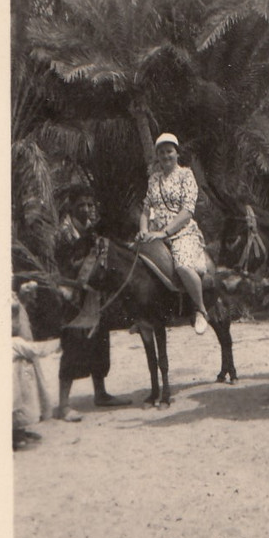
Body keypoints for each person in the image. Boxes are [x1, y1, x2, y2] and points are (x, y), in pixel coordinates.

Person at [54, 185, 132, 422]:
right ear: (71, 206)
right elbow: (63, 266)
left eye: (90, 204)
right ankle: (64, 404)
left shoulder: (92, 230)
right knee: (72, 348)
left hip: (93, 295)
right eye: (81, 205)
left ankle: (101, 393)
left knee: (100, 342)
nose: (87, 209)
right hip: (72, 294)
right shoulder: (64, 233)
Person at [136, 133, 209, 335]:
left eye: (169, 151)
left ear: (177, 153)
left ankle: (200, 310)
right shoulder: (154, 179)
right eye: (161, 152)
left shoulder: (186, 175)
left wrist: (164, 233)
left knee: (183, 266)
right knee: (134, 262)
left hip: (181, 232)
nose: (165, 156)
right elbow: (146, 210)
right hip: (154, 232)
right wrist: (143, 230)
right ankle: (142, 314)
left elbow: (187, 212)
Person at [12, 290, 59, 449]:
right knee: (16, 399)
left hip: (21, 348)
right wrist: (58, 344)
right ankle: (14, 435)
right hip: (15, 356)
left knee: (25, 393)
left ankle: (19, 431)